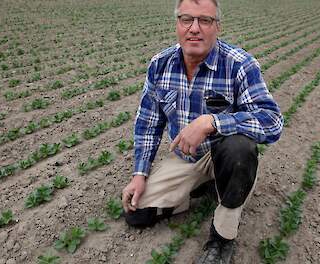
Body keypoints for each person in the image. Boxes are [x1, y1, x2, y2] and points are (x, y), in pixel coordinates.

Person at [121, 0, 283, 263]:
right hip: (187, 157)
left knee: (240, 148)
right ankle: (205, 186)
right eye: (187, 19)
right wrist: (139, 174)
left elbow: (272, 121)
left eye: (204, 20)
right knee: (136, 213)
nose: (194, 28)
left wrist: (211, 122)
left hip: (225, 154)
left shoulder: (239, 64)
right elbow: (148, 124)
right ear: (177, 24)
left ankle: (222, 239)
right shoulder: (160, 64)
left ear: (217, 26)